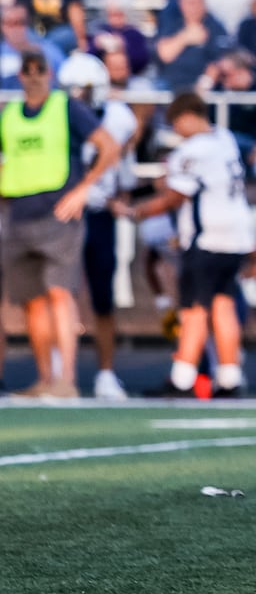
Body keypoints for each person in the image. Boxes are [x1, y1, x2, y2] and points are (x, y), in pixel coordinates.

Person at [117, 93, 256, 398]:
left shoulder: (192, 151)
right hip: (235, 236)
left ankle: (182, 378)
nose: (177, 130)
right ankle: (230, 377)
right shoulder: (224, 138)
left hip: (207, 237)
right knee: (224, 306)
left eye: (176, 123)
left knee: (194, 310)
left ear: (187, 116)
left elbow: (174, 197)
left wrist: (132, 211)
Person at [1, 50, 120, 399]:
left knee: (60, 293)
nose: (34, 76)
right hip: (18, 214)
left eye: (40, 70)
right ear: (20, 76)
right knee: (32, 301)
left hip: (59, 212)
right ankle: (45, 377)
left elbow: (108, 147)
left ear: (50, 74)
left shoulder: (66, 107)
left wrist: (84, 189)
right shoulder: (9, 115)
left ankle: (66, 378)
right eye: (28, 70)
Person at [57, 52, 138, 400]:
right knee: (60, 295)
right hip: (64, 211)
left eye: (83, 89)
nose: (78, 97)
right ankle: (59, 370)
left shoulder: (118, 117)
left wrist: (117, 196)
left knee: (103, 297)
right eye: (72, 89)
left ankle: (106, 373)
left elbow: (122, 167)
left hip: (100, 209)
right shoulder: (57, 112)